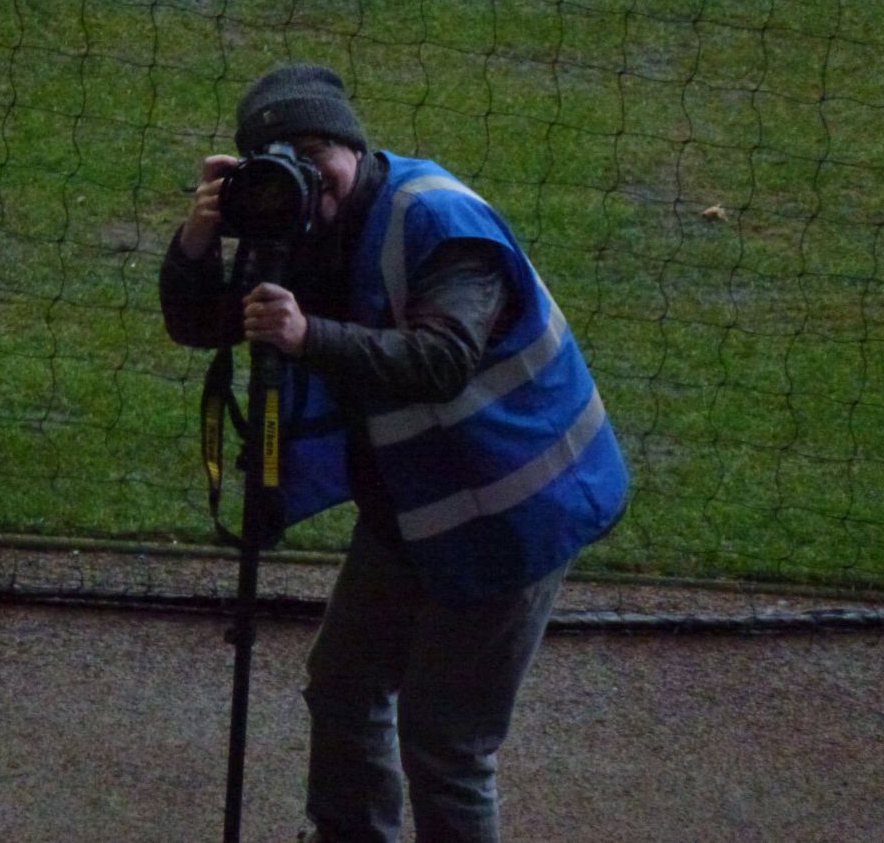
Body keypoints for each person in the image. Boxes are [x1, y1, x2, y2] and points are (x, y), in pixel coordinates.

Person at [160, 64, 629, 843]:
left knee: (447, 743)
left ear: (354, 146)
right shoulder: (293, 226)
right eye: (284, 160)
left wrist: (309, 336)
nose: (309, 176)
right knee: (343, 688)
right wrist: (200, 236)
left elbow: (441, 359)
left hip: (515, 511)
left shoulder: (440, 222)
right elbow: (200, 323)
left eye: (318, 153)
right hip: (414, 502)